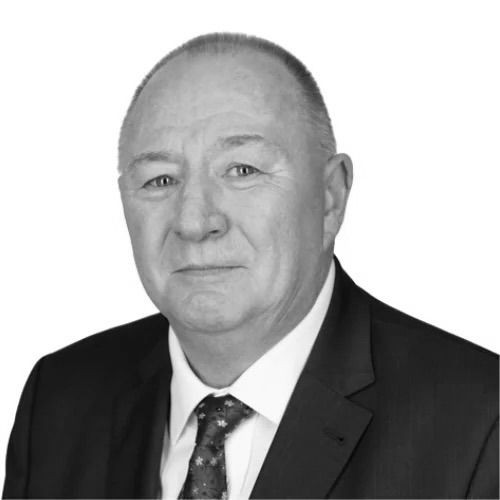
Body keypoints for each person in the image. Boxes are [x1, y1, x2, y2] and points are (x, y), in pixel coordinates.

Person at [2, 33, 498, 500]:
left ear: (330, 197)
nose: (194, 221)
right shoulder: (60, 398)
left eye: (243, 170)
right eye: (159, 179)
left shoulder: (479, 420)